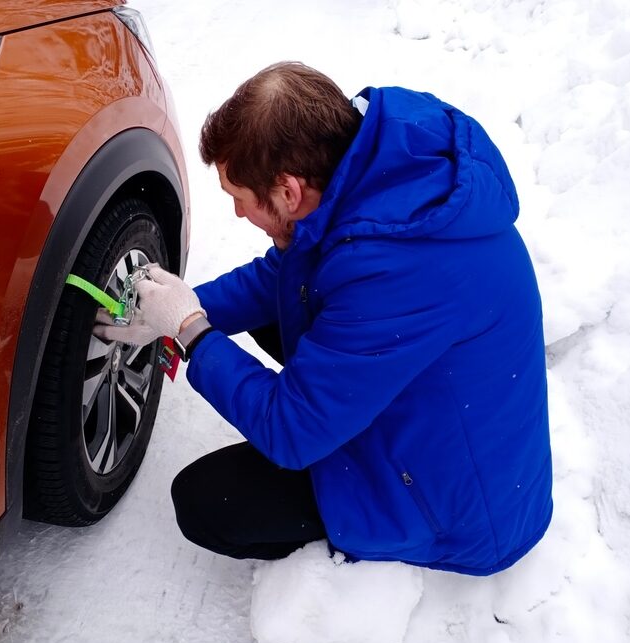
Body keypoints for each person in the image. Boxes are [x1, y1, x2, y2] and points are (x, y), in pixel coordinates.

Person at [96, 61, 553, 575]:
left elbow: (291, 431)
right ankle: (336, 405)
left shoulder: (394, 273)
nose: (238, 215)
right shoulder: (373, 171)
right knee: (293, 301)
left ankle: (355, 553)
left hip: (456, 510)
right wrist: (181, 305)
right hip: (441, 418)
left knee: (207, 503)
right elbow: (284, 275)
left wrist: (190, 331)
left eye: (240, 199)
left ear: (289, 192)